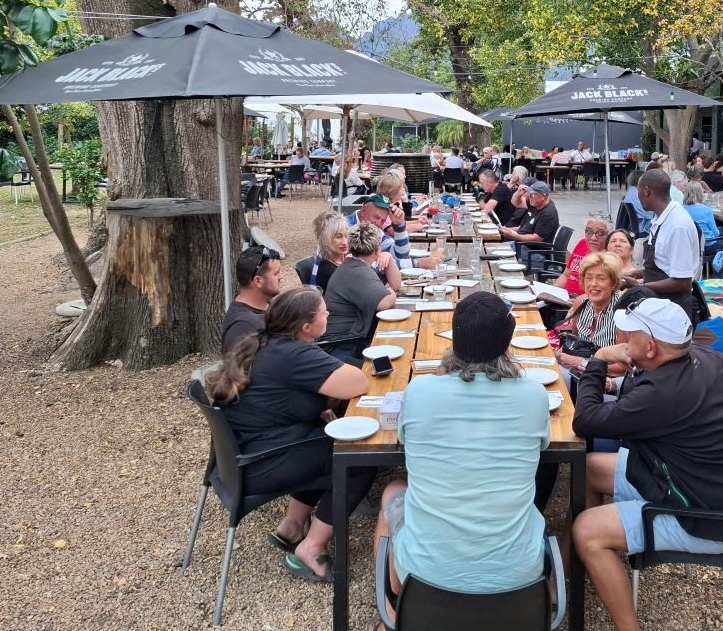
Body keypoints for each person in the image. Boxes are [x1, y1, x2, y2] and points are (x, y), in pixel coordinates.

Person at [571, 298, 723, 631]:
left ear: (651, 346)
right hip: (696, 485)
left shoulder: (660, 394)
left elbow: (585, 421)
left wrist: (597, 361)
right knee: (590, 467)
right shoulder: (705, 357)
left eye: (632, 334)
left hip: (702, 519)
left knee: (586, 530)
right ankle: (596, 566)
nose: (624, 339)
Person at [373, 292, 549, 609]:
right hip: (519, 574)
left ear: (454, 339)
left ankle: (393, 610)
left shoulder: (419, 391)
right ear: (508, 341)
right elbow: (541, 446)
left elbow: (404, 438)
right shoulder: (533, 395)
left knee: (393, 491)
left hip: (424, 575)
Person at [204, 287, 372, 582]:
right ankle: (311, 548)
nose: (329, 313)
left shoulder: (265, 342)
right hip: (260, 463)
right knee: (360, 456)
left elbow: (283, 398)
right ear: (306, 326)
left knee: (324, 443)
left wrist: (321, 404)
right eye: (324, 312)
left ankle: (292, 526)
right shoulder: (293, 354)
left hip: (241, 459)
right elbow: (358, 382)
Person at [623, 169, 700, 323]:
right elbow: (664, 266)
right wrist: (640, 274)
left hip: (672, 311)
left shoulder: (677, 226)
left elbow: (682, 282)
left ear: (646, 191)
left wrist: (641, 286)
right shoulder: (662, 217)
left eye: (638, 190)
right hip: (657, 304)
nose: (637, 196)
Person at [324, 223, 400, 363]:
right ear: (377, 250)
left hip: (351, 339)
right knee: (395, 361)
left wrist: (388, 257)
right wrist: (390, 291)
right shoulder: (356, 271)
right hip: (343, 347)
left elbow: (396, 284)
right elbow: (384, 303)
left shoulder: (353, 264)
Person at [551, 252, 624, 377]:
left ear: (613, 283)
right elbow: (574, 340)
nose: (593, 284)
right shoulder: (581, 302)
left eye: (601, 278)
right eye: (589, 277)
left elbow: (622, 367)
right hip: (576, 372)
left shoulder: (621, 314)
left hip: (604, 380)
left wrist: (581, 363)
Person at [222, 245, 282, 352]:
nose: (281, 277)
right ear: (258, 281)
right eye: (276, 273)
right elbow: (240, 368)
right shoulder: (242, 328)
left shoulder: (267, 305)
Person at [548, 212, 611, 298]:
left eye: (599, 234)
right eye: (589, 232)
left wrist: (579, 302)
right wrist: (551, 292)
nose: (593, 238)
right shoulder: (582, 243)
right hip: (563, 297)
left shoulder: (608, 258)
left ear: (608, 236)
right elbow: (566, 275)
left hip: (581, 302)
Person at [500, 180, 560, 269]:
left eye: (533, 194)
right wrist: (518, 194)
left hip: (535, 252)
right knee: (495, 249)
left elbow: (537, 238)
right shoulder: (536, 203)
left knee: (499, 255)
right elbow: (515, 203)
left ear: (543, 196)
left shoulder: (548, 213)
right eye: (529, 193)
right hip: (524, 246)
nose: (530, 196)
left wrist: (514, 236)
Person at [306, 211, 349, 294]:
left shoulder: (340, 258)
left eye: (346, 235)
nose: (345, 242)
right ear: (325, 239)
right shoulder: (329, 270)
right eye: (338, 237)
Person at [684, 183, 723, 258]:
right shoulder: (706, 209)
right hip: (707, 245)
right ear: (700, 193)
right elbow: (716, 233)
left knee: (722, 231)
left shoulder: (682, 209)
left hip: (690, 244)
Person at [622, 170, 655, 235]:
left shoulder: (631, 190)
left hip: (635, 224)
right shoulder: (639, 193)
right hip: (642, 226)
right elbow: (648, 214)